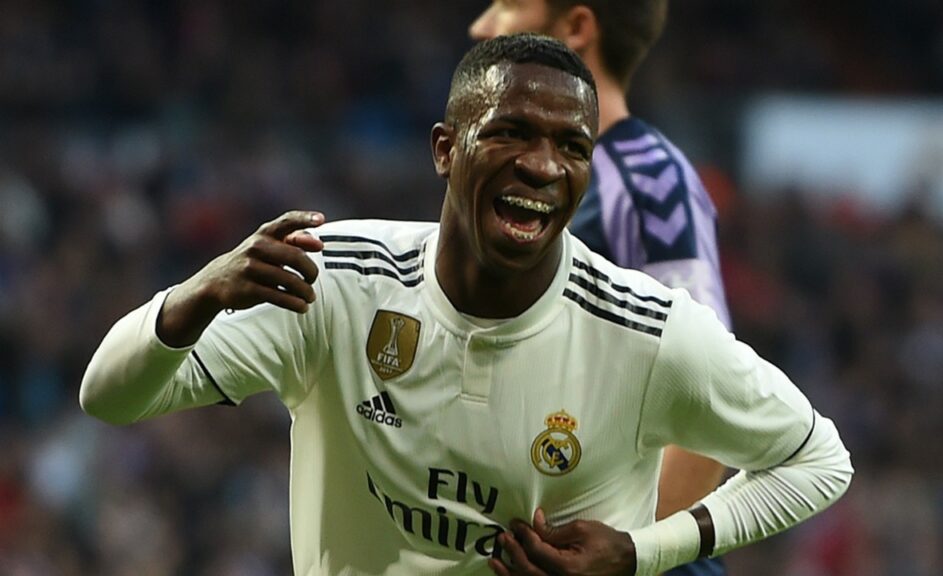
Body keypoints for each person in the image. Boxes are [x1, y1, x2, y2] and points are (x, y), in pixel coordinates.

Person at [80, 34, 852, 575]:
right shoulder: (336, 283)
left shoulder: (642, 332)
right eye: (511, 131)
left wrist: (644, 552)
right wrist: (196, 296)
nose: (544, 164)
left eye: (572, 146)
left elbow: (819, 461)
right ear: (446, 148)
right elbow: (108, 397)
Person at [470, 4, 731, 574]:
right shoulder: (517, 185)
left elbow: (709, 405)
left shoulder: (647, 179)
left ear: (577, 28)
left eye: (510, 4)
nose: (483, 25)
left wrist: (630, 558)